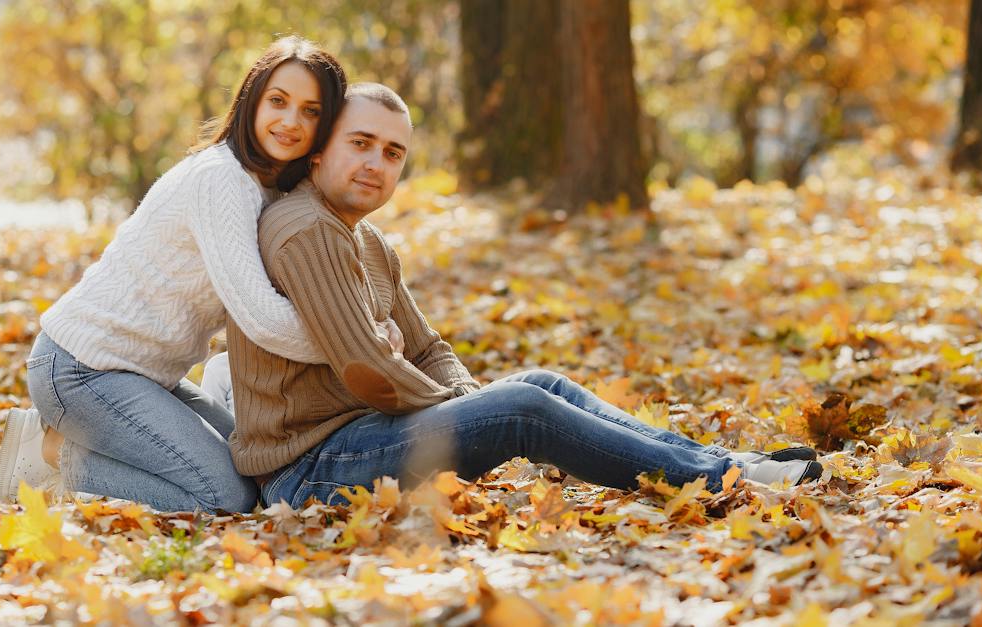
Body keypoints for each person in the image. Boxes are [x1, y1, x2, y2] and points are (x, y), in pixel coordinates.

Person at [208, 83, 823, 509]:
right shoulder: (304, 228)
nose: (376, 163)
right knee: (523, 409)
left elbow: (425, 346)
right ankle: (721, 482)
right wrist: (476, 406)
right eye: (360, 143)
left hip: (361, 437)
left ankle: (723, 462)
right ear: (319, 153)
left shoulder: (365, 239)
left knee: (542, 384)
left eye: (393, 153)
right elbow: (371, 370)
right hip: (309, 472)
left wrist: (468, 397)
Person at [0, 36, 348, 513]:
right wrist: (351, 346)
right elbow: (261, 319)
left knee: (255, 469)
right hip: (81, 368)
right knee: (227, 496)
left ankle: (76, 445)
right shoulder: (221, 179)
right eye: (278, 102)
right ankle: (52, 455)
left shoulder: (270, 192)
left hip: (146, 375)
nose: (290, 121)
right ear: (252, 101)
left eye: (310, 111)